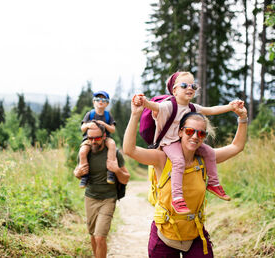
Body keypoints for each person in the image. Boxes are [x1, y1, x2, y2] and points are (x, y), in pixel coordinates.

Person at [123, 97, 247, 257]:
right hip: (164, 236)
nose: (195, 136)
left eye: (201, 133)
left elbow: (237, 146)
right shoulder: (162, 159)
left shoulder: (205, 160)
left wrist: (243, 118)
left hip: (195, 235)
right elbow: (129, 150)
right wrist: (135, 115)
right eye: (189, 131)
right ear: (180, 131)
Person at [134, 71, 244, 214]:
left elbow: (210, 110)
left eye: (193, 86)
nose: (190, 88)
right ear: (174, 90)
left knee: (209, 152)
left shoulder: (192, 108)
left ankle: (213, 183)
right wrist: (143, 101)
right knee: (179, 161)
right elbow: (153, 106)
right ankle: (177, 197)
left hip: (182, 141)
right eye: (184, 85)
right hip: (169, 143)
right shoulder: (168, 106)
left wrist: (230, 107)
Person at [74, 121, 130, 258]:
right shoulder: (84, 153)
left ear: (104, 136)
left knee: (100, 237)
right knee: (93, 236)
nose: (93, 141)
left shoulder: (115, 154)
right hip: (90, 198)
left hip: (108, 198)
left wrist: (116, 170)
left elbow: (126, 178)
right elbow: (78, 173)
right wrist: (77, 173)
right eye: (90, 138)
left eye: (97, 138)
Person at [78, 90, 118, 188]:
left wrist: (104, 124)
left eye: (103, 100)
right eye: (98, 99)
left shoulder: (108, 115)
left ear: (107, 103)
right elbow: (82, 128)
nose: (100, 101)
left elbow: (113, 129)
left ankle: (110, 172)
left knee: (112, 145)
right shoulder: (90, 114)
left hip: (105, 138)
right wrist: (88, 125)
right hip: (90, 138)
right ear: (93, 102)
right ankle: (84, 175)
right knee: (83, 152)